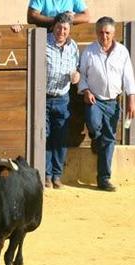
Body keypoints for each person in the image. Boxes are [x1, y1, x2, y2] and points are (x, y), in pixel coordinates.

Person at [78, 16, 135, 192]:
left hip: (113, 101)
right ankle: (96, 139)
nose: (104, 36)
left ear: (114, 33)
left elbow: (128, 77)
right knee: (95, 127)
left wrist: (131, 100)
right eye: (101, 32)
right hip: (94, 100)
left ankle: (104, 178)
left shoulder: (122, 52)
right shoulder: (89, 51)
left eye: (108, 33)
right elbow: (82, 75)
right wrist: (86, 91)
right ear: (97, 33)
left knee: (109, 138)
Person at [44, 13, 80, 189]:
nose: (61, 31)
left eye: (65, 28)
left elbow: (76, 69)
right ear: (53, 27)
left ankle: (56, 176)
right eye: (59, 27)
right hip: (42, 97)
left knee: (60, 138)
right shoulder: (43, 42)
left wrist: (76, 75)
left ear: (69, 30)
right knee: (44, 136)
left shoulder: (73, 47)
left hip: (62, 98)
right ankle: (46, 175)